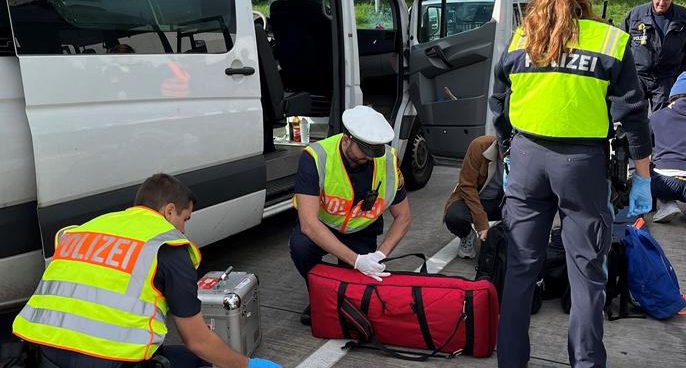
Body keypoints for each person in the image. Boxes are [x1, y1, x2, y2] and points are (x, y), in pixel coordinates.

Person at [488, 0, 653, 367]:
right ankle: (586, 362)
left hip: (527, 160)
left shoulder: (523, 38)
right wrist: (642, 175)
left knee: (520, 270)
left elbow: (499, 102)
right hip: (581, 166)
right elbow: (633, 114)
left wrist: (509, 152)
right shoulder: (609, 40)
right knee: (586, 273)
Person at [13, 174, 281, 368]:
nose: (184, 230)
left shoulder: (85, 229)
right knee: (202, 361)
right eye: (185, 219)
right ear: (169, 210)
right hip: (108, 363)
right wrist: (247, 365)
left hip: (41, 356)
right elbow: (198, 341)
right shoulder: (167, 247)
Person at [290, 105, 411, 324]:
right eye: (365, 151)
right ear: (347, 140)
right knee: (301, 246)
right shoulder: (316, 157)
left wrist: (378, 256)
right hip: (323, 227)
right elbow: (308, 223)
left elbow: (403, 217)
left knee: (357, 294)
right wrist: (356, 261)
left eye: (376, 151)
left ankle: (339, 295)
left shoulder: (387, 161)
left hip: (361, 230)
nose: (371, 157)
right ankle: (320, 295)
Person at [621, 0, 686, 113]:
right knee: (635, 120)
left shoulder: (682, 16)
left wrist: (680, 76)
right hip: (638, 78)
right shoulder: (636, 15)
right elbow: (620, 46)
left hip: (665, 79)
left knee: (661, 122)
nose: (661, 3)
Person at [649, 72, 686, 224]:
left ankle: (667, 204)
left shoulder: (657, 117)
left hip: (664, 183)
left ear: (671, 98)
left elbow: (645, 147)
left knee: (650, 163)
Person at [444, 135, 503, 259]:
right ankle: (467, 235)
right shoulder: (479, 146)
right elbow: (467, 186)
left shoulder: (526, 155)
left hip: (503, 201)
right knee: (453, 216)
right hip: (476, 199)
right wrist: (481, 223)